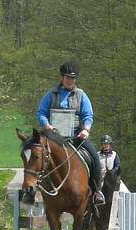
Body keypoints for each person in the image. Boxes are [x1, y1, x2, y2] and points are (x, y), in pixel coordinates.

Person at [36, 60, 105, 205]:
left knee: (94, 158)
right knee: (35, 152)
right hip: (54, 135)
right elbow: (41, 113)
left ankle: (97, 190)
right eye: (68, 77)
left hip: (76, 135)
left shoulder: (81, 95)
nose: (70, 80)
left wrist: (86, 129)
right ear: (61, 78)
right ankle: (31, 187)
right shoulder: (50, 94)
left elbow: (87, 115)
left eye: (73, 78)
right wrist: (47, 125)